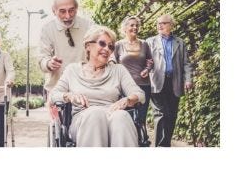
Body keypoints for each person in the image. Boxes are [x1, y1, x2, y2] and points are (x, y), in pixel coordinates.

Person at [50, 25, 145, 147]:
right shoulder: (72, 70)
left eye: (111, 46)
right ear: (88, 45)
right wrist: (69, 96)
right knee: (95, 114)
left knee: (122, 116)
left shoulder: (118, 70)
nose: (107, 49)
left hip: (112, 116)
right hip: (83, 120)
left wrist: (128, 99)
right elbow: (53, 95)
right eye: (102, 44)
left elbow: (140, 94)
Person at [146, 14, 193, 147]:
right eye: (158, 23)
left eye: (163, 23)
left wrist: (188, 79)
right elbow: (145, 61)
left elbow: (186, 64)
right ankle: (161, 147)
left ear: (171, 25)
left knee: (172, 115)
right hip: (157, 82)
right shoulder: (150, 42)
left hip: (175, 82)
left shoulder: (180, 42)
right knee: (160, 114)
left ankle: (165, 144)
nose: (160, 25)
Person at [39, 0, 93, 95]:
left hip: (85, 88)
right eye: (62, 11)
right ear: (54, 11)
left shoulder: (89, 26)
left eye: (71, 10)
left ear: (77, 9)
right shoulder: (47, 29)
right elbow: (42, 59)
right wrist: (49, 63)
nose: (68, 16)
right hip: (57, 89)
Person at [114, 16, 153, 145]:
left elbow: (150, 61)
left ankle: (142, 141)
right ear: (124, 28)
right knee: (127, 118)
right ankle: (129, 143)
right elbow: (112, 63)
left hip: (143, 85)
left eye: (136, 25)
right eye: (131, 25)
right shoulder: (118, 45)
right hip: (124, 87)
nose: (135, 27)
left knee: (141, 118)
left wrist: (147, 69)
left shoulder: (144, 44)